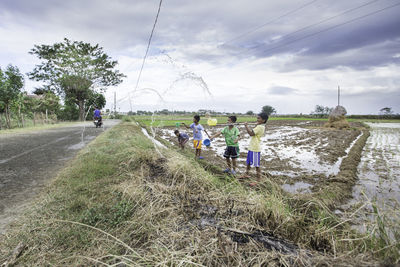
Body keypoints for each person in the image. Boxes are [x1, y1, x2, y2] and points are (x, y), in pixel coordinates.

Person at [240, 113, 269, 185]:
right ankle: (246, 174)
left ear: (263, 120)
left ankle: (258, 180)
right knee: (248, 162)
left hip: (255, 148)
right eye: (257, 118)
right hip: (252, 147)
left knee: (256, 165)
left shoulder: (260, 127)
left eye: (259, 118)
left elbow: (251, 133)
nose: (257, 119)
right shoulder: (260, 126)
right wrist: (257, 123)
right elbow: (255, 130)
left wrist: (246, 126)